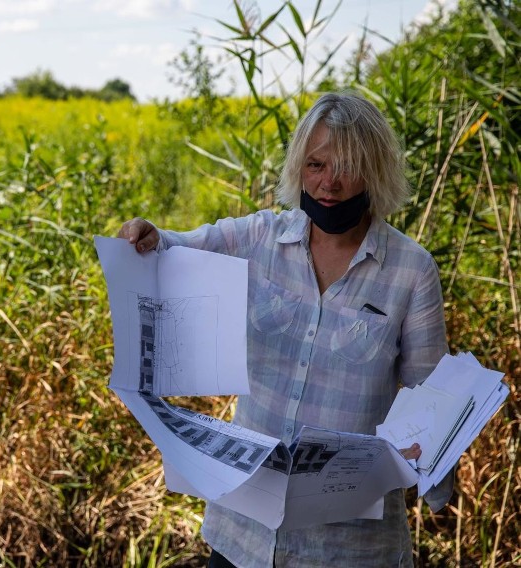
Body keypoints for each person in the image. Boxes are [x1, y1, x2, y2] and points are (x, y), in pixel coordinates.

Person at [118, 92, 453, 567]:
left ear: (375, 172)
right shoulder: (260, 238)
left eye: (347, 167)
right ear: (298, 166)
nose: (329, 184)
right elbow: (177, 249)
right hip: (243, 534)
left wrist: (428, 466)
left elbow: (430, 396)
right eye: (315, 165)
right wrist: (148, 238)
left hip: (347, 546)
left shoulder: (411, 270)